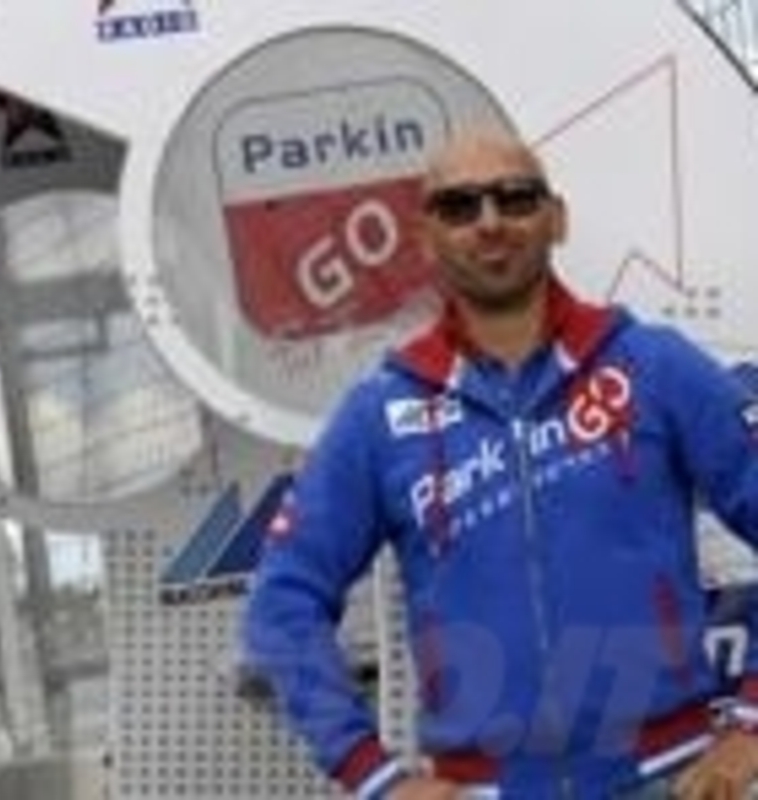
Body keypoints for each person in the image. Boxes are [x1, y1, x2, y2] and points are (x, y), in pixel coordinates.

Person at [242, 126, 758, 798]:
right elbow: (281, 605)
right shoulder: (380, 415)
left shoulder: (652, 365)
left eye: (515, 198)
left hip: (673, 775)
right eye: (459, 206)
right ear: (426, 237)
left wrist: (751, 723)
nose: (489, 222)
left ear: (556, 218)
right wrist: (373, 774)